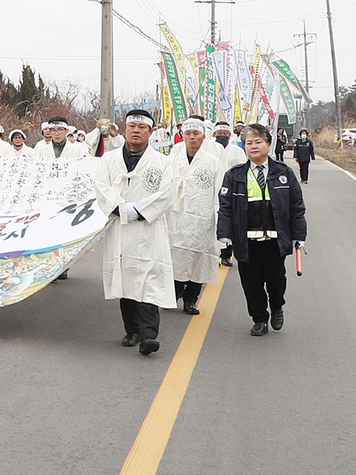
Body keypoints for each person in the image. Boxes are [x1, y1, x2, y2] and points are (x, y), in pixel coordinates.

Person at [93, 108, 175, 355]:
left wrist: (138, 211)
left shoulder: (162, 162)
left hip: (148, 228)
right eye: (132, 127)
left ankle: (149, 335)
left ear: (150, 132)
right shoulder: (109, 160)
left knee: (149, 280)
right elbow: (101, 186)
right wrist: (119, 208)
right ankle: (132, 330)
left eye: (142, 127)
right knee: (124, 278)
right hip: (120, 227)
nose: (136, 131)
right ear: (126, 129)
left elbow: (167, 194)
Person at [217, 123, 307, 337]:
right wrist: (225, 234)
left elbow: (296, 206)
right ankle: (259, 318)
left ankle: (277, 306)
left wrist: (299, 236)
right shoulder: (234, 175)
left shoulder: (283, 173)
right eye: (249, 143)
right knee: (251, 282)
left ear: (268, 144)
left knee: (276, 278)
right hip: (246, 239)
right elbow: (226, 207)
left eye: (258, 142)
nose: (254, 146)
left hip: (275, 239)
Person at [167, 116, 221, 315]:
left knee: (199, 259)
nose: (192, 137)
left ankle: (191, 299)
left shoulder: (213, 162)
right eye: (188, 133)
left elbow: (218, 192)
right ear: (182, 135)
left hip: (201, 217)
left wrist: (218, 217)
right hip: (176, 217)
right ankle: (176, 289)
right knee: (176, 257)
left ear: (203, 136)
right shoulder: (172, 159)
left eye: (196, 133)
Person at [211, 121, 247, 266]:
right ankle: (214, 255)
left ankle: (227, 255)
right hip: (213, 192)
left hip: (232, 191)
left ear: (230, 135)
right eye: (220, 134)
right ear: (214, 134)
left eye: (225, 134)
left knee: (231, 222)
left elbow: (243, 169)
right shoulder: (209, 151)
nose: (223, 136)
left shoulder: (237, 151)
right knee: (213, 223)